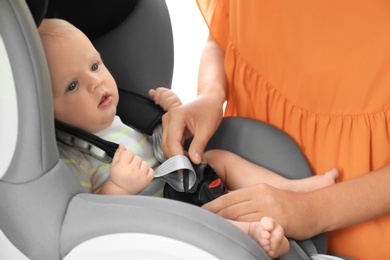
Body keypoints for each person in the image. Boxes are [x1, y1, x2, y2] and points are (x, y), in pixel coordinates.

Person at [35, 18, 343, 258]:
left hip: (183, 179)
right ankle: (252, 235)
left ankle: (292, 190)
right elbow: (85, 217)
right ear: (47, 110)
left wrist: (171, 108)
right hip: (163, 216)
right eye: (72, 86)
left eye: (95, 65)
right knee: (199, 219)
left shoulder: (124, 113)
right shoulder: (73, 156)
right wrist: (117, 186)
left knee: (220, 159)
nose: (95, 82)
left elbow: (164, 135)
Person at [160, 1, 390, 259]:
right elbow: (224, 33)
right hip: (253, 159)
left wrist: (310, 212)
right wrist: (211, 95)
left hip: (360, 213)